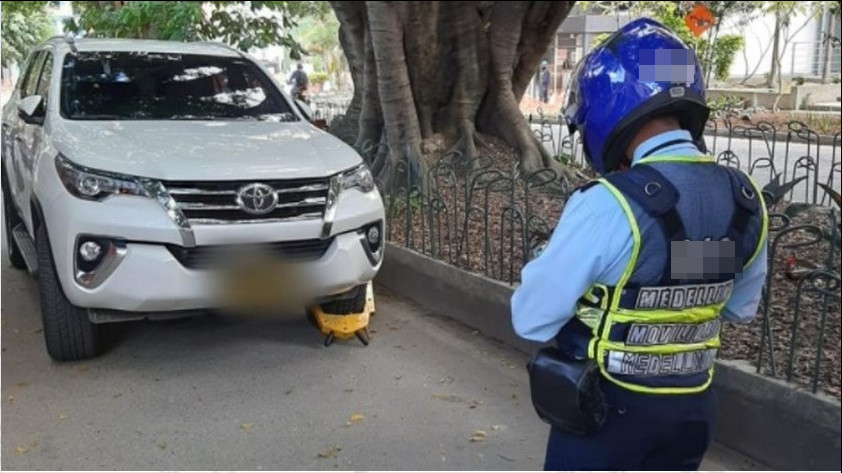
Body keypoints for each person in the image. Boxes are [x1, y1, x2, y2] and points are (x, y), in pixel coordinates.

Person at [512, 18, 768, 471]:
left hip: (607, 414)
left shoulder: (608, 204)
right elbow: (736, 307)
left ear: (608, 105)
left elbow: (530, 319)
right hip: (693, 412)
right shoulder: (745, 199)